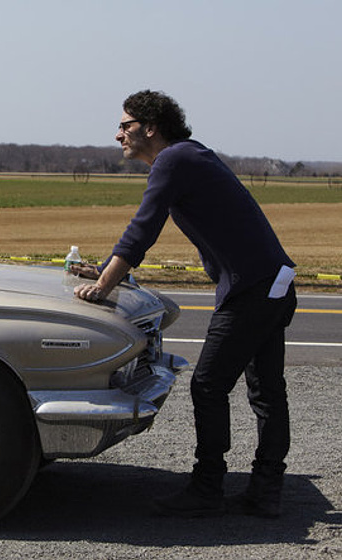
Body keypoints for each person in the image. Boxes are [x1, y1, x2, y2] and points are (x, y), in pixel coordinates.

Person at [72, 90, 297, 518]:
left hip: (253, 290)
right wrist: (102, 268)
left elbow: (143, 227)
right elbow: (143, 229)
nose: (117, 133)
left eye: (125, 125)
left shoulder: (173, 160)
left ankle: (207, 488)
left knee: (208, 386)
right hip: (272, 285)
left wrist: (103, 284)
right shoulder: (187, 157)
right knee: (266, 391)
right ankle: (266, 491)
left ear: (150, 128)